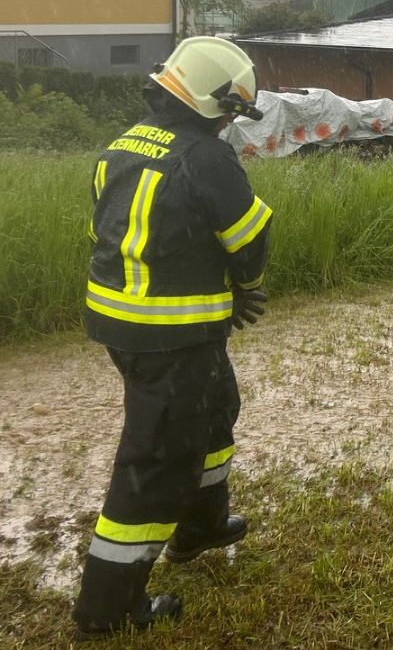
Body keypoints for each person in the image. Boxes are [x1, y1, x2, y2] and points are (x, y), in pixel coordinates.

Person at [72, 38, 272, 641]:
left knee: (215, 412)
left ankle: (202, 525)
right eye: (233, 113)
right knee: (156, 460)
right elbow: (250, 238)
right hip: (171, 333)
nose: (232, 124)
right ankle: (106, 606)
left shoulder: (119, 147)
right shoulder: (204, 157)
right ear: (217, 104)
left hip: (129, 324)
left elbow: (102, 231)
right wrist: (246, 287)